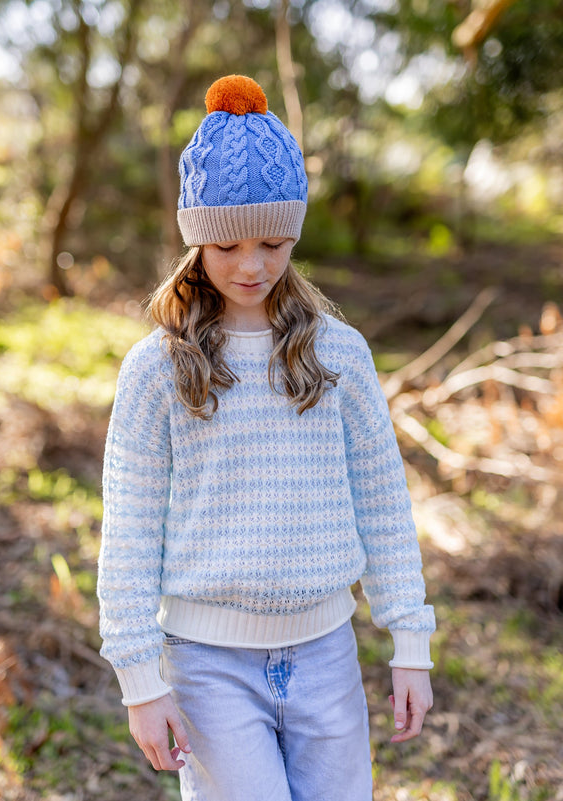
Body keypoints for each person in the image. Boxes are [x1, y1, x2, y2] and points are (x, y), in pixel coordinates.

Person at [97, 74, 435, 801]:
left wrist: (410, 641)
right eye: (227, 245)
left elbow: (382, 500)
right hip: (206, 664)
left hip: (325, 656)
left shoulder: (339, 353)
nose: (251, 266)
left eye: (273, 242)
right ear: (195, 239)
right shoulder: (156, 369)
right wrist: (140, 679)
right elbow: (130, 528)